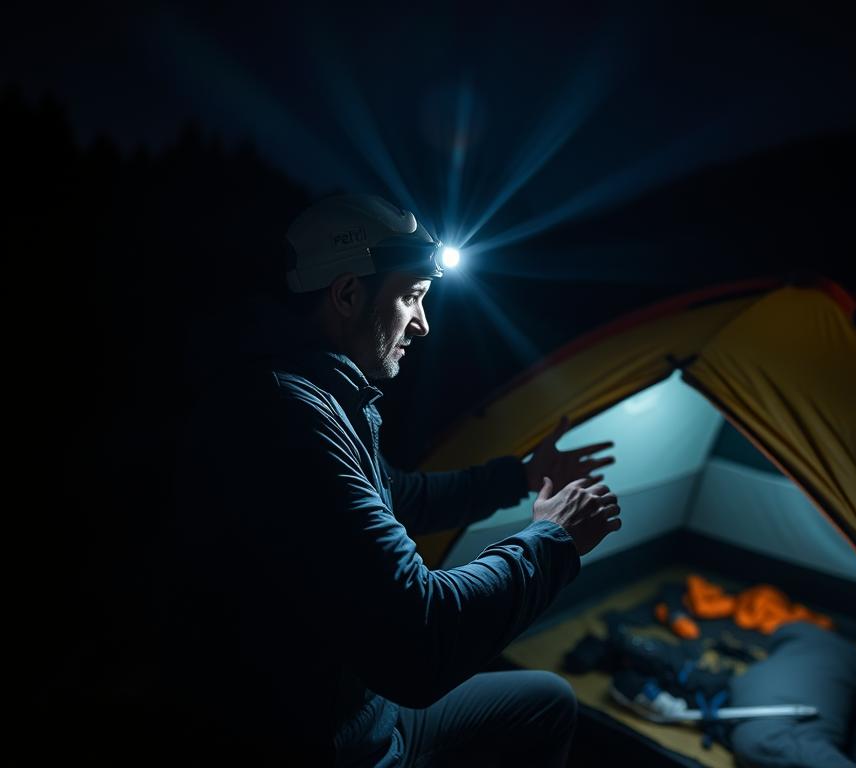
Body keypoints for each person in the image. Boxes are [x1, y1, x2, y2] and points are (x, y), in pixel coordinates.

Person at [168, 194, 622, 767]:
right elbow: (420, 637)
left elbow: (398, 496)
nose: (423, 324)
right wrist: (552, 541)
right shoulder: (286, 421)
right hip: (333, 743)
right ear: (347, 294)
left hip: (364, 708)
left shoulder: (322, 395)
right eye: (412, 297)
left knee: (546, 703)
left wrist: (521, 477)